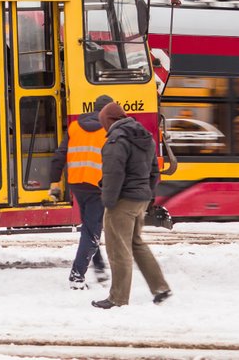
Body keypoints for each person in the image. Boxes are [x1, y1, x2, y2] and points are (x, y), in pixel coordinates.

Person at [92, 101, 172, 309]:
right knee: (136, 244)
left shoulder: (116, 140)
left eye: (103, 123)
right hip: (140, 199)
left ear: (109, 120)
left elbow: (114, 173)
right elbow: (154, 171)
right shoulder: (144, 136)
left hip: (122, 201)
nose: (104, 128)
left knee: (118, 249)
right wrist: (148, 194)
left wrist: (109, 201)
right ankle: (160, 287)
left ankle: (117, 298)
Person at [48, 94, 113, 290]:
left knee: (89, 228)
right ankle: (77, 277)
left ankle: (99, 266)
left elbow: (59, 155)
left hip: (77, 185)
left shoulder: (75, 126)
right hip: (97, 186)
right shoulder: (108, 129)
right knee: (92, 231)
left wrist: (54, 183)